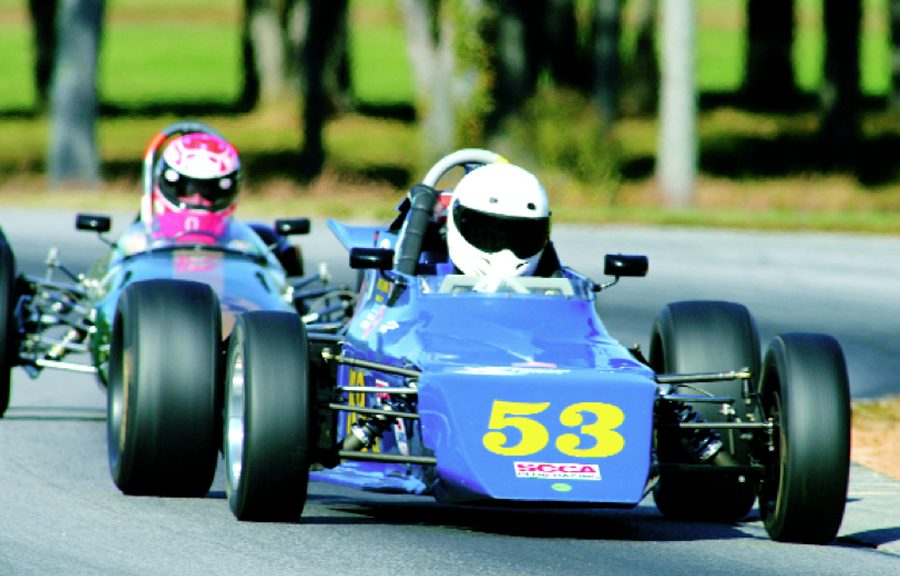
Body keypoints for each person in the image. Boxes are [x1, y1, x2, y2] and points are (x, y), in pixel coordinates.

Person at [444, 162, 553, 277]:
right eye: (490, 235)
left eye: (521, 237)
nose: (506, 256)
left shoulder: (557, 284)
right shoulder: (429, 279)